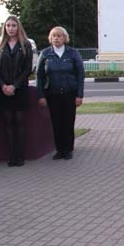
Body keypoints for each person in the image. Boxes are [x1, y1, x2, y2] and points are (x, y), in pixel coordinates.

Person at [37, 26, 85, 160]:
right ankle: (59, 149)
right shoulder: (45, 54)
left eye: (59, 36)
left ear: (65, 38)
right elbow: (39, 76)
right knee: (56, 122)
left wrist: (79, 95)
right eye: (54, 36)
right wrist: (40, 95)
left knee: (68, 122)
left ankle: (68, 149)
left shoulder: (73, 53)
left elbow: (80, 75)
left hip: (70, 93)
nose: (56, 38)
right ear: (50, 38)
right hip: (53, 93)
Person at [0, 15, 34, 166]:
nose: (11, 28)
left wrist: (14, 86)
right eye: (8, 26)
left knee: (19, 121)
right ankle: (12, 156)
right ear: (5, 28)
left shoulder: (26, 45)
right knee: (8, 122)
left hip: (19, 89)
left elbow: (28, 69)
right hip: (3, 90)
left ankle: (20, 156)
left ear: (18, 27)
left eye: (13, 26)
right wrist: (3, 86)